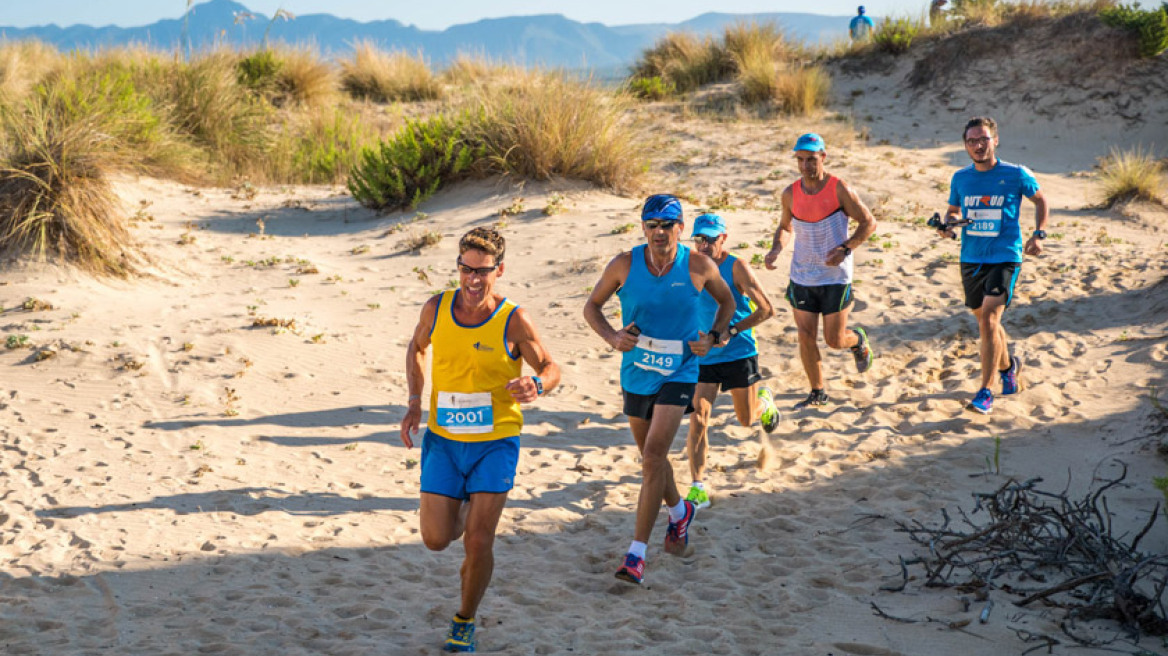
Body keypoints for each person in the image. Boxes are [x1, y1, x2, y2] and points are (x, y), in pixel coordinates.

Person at [401, 227, 561, 652]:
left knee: (478, 541)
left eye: (483, 272)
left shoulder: (513, 319)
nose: (473, 280)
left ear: (499, 270)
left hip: (496, 440)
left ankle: (464, 620)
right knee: (436, 540)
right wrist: (415, 399)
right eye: (465, 269)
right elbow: (416, 349)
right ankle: (467, 502)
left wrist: (538, 386)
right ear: (458, 267)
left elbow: (549, 366)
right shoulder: (436, 308)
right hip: (445, 439)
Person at [583, 194, 736, 585]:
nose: (658, 233)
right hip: (636, 373)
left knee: (653, 455)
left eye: (667, 225)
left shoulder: (698, 265)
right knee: (653, 461)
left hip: (680, 371)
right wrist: (612, 337)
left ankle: (636, 555)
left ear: (680, 228)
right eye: (651, 225)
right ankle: (680, 511)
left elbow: (727, 302)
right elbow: (592, 308)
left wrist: (715, 336)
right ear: (643, 228)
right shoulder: (624, 264)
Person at [937, 116, 1048, 415]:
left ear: (995, 140)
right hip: (971, 258)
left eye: (983, 139)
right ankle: (1010, 366)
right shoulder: (961, 178)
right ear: (965, 145)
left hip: (1005, 256)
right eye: (972, 141)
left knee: (988, 320)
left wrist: (1038, 234)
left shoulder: (1015, 173)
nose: (978, 145)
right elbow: (952, 211)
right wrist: (947, 226)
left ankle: (986, 391)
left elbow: (1040, 201)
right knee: (988, 323)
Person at [764, 133, 878, 409]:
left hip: (835, 276)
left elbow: (868, 223)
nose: (805, 166)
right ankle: (817, 392)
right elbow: (785, 227)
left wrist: (846, 248)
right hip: (802, 274)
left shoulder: (840, 189)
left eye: (811, 159)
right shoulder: (790, 193)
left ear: (823, 157)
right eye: (800, 160)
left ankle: (857, 340)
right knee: (804, 335)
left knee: (834, 339)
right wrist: (776, 249)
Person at [683, 212, 780, 510]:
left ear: (723, 239)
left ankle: (765, 402)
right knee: (698, 417)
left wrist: (732, 330)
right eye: (699, 239)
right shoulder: (688, 266)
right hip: (703, 354)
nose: (705, 245)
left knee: (746, 419)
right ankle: (698, 486)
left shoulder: (736, 267)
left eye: (711, 239)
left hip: (739, 351)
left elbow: (767, 309)